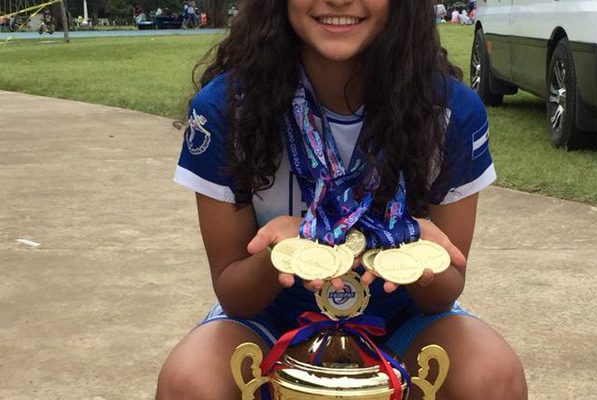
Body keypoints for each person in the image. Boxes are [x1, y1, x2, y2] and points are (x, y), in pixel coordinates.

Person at [156, 1, 528, 400]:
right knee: (190, 382)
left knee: (493, 377)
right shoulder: (227, 109)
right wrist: (282, 254)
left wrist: (410, 246)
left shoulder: (449, 111)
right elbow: (234, 295)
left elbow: (444, 293)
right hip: (270, 319)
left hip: (402, 318)